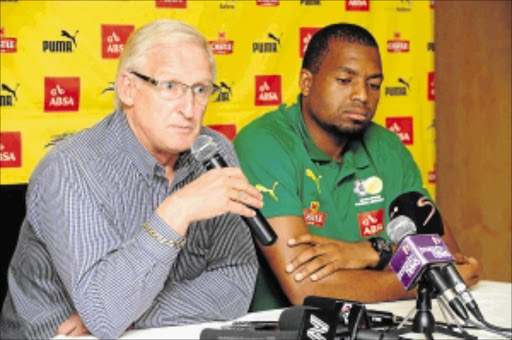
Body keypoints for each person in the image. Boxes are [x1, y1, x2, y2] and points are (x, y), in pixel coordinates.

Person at [1, 20, 263, 339]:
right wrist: (177, 211)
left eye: (200, 89)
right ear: (128, 88)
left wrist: (135, 316)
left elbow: (236, 281)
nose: (189, 108)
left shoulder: (214, 152)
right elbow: (106, 315)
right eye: (169, 86)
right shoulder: (70, 168)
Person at [234, 23, 482, 311]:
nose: (363, 95)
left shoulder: (387, 146)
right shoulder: (264, 143)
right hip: (285, 328)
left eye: (374, 84)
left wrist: (372, 252)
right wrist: (427, 281)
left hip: (382, 321)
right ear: (306, 82)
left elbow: (448, 256)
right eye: (344, 80)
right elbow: (307, 288)